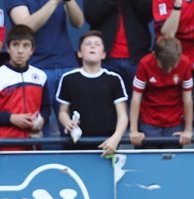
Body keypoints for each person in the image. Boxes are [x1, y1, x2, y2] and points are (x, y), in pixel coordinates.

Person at [6, 0, 84, 137]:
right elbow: (25, 28)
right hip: (37, 69)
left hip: (66, 64)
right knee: (39, 126)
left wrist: (70, 1)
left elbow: (79, 23)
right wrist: (53, 2)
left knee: (74, 126)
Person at [56, 30, 128, 156]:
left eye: (97, 44)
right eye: (88, 44)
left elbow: (122, 115)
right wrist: (67, 122)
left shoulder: (114, 79)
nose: (93, 46)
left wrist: (115, 138)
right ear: (79, 53)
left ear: (104, 54)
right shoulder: (68, 78)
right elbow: (62, 111)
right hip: (76, 145)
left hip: (107, 145)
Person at [129, 36, 194, 148]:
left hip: (174, 121)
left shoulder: (185, 63)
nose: (169, 70)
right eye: (164, 65)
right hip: (149, 121)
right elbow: (136, 97)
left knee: (171, 160)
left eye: (173, 66)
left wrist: (188, 129)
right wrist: (133, 130)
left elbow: (187, 98)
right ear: (155, 55)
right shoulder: (144, 64)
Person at [84, 0, 153, 100]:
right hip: (105, 59)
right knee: (104, 105)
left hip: (136, 58)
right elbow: (91, 15)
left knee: (137, 105)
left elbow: (148, 14)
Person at [0, 24, 50, 148]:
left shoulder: (40, 76)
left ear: (32, 50)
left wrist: (41, 121)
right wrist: (11, 118)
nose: (20, 51)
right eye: (15, 45)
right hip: (5, 145)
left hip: (33, 144)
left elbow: (46, 107)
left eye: (26, 45)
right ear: (8, 48)